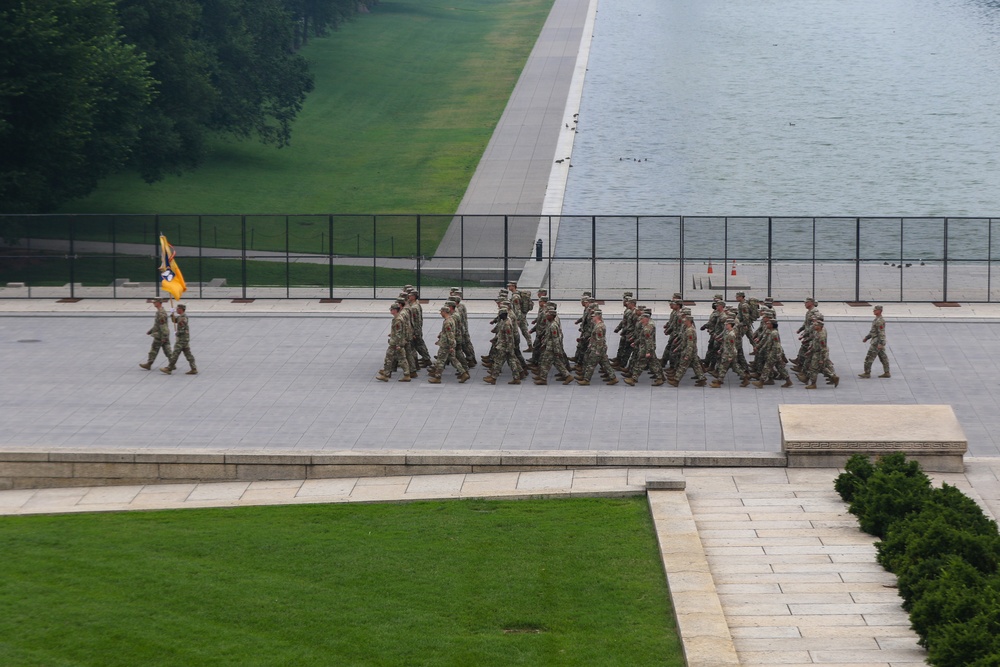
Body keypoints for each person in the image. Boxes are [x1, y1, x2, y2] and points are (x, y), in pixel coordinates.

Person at [428, 305, 469, 384]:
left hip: (446, 345)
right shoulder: (450, 320)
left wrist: (451, 346)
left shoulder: (447, 322)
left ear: (444, 312)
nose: (440, 313)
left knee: (440, 360)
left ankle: (437, 377)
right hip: (448, 344)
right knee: (453, 360)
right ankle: (464, 373)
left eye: (441, 312)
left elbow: (450, 335)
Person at [377, 302, 412, 382]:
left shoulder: (398, 320)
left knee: (389, 358)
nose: (390, 311)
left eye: (391, 309)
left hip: (395, 343)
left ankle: (386, 375)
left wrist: (398, 344)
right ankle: (406, 375)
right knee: (402, 359)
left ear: (395, 310)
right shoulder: (398, 318)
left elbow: (399, 333)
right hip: (398, 342)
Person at [160, 304, 197, 375]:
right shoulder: (181, 317)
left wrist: (177, 333)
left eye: (177, 309)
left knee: (175, 354)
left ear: (181, 309)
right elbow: (175, 321)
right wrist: (172, 314)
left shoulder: (183, 318)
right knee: (188, 354)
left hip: (181, 340)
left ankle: (169, 368)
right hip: (184, 339)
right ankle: (193, 368)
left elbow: (182, 329)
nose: (176, 310)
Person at [140, 297, 172, 370]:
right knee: (167, 350)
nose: (154, 303)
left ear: (159, 302)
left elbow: (163, 326)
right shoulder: (160, 311)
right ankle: (172, 363)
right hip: (161, 334)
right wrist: (151, 331)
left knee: (154, 349)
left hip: (161, 335)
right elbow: (157, 325)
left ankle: (149, 364)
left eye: (155, 302)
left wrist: (164, 337)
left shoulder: (161, 313)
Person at [859, 305, 890, 378]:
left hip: (876, 342)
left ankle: (867, 373)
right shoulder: (877, 319)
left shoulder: (879, 321)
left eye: (875, 310)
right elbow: (873, 331)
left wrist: (881, 343)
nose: (873, 311)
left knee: (869, 357)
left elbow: (881, 333)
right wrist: (867, 337)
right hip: (877, 341)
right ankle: (887, 372)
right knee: (883, 357)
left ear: (879, 311)